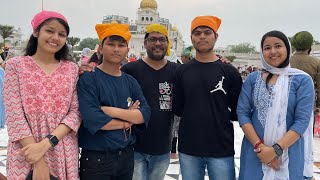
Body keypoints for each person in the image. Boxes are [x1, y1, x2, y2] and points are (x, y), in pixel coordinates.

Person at [3, 11, 81, 180]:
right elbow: (15, 114)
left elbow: (75, 112)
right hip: (25, 149)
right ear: (36, 32)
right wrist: (38, 160)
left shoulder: (71, 69)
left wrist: (46, 144)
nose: (55, 37)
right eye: (50, 31)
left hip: (62, 147)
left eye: (61, 34)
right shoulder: (15, 66)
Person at [77, 23, 151, 180]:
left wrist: (111, 111)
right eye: (111, 44)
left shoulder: (130, 81)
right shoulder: (89, 79)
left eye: (121, 45)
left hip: (126, 157)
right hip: (97, 159)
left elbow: (144, 113)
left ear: (127, 50)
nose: (116, 49)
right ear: (100, 48)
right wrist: (127, 121)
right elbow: (94, 119)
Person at [237, 30, 314, 180]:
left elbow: (302, 121)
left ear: (287, 48)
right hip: (255, 152)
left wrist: (275, 150)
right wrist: (261, 147)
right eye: (267, 48)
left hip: (289, 153)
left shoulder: (302, 80)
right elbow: (243, 113)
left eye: (278, 46)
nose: (273, 51)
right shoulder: (253, 79)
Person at [173, 15, 242, 180]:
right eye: (197, 33)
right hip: (189, 146)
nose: (202, 36)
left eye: (207, 32)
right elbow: (178, 107)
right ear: (191, 38)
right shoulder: (182, 71)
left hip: (221, 147)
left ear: (216, 36)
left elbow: (236, 110)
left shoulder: (229, 72)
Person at [121, 24, 179, 180]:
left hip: (162, 145)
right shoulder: (130, 69)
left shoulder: (177, 71)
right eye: (153, 39)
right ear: (145, 43)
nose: (158, 43)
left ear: (168, 44)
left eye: (162, 40)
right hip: (134, 145)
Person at [290, 31, 320, 113]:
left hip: (288, 104)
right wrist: (318, 104)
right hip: (309, 105)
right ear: (310, 46)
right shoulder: (316, 62)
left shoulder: (286, 61)